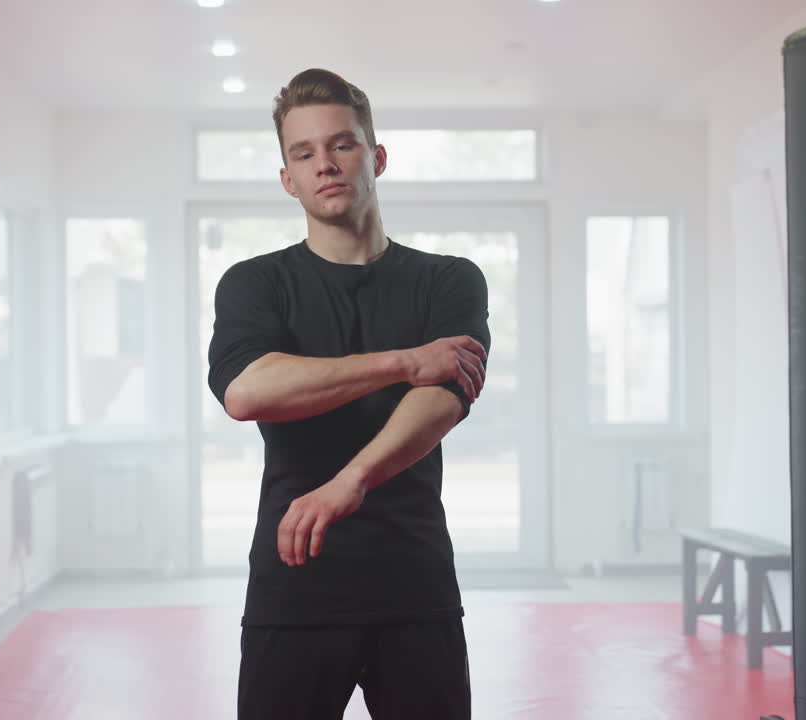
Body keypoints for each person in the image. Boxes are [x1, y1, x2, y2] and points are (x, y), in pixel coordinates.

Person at [207, 67, 491, 720]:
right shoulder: (257, 284)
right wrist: (403, 361)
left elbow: (443, 398)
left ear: (377, 156)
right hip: (296, 586)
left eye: (342, 144)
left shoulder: (447, 281)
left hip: (413, 587)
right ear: (287, 178)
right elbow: (249, 391)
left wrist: (353, 479)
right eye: (303, 153)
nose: (324, 164)